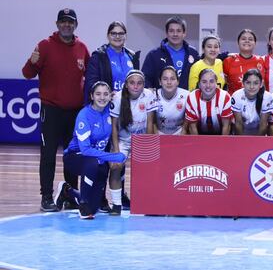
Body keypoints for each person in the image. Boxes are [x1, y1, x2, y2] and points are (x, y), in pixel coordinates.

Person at [22, 8, 90, 212]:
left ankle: (70, 195)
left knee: (72, 154)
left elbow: (90, 76)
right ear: (57, 24)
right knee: (48, 154)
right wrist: (32, 62)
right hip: (51, 110)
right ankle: (46, 197)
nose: (66, 25)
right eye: (63, 21)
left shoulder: (82, 48)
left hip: (75, 112)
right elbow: (27, 73)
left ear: (75, 25)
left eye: (70, 22)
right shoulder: (45, 46)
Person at [62, 81, 126, 219]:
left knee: (94, 207)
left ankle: (67, 191)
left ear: (110, 96)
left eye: (105, 94)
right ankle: (83, 204)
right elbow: (85, 150)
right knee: (92, 162)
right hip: (75, 157)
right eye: (98, 94)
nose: (102, 97)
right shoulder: (84, 115)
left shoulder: (111, 111)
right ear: (91, 96)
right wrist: (113, 156)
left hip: (99, 159)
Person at [109, 70, 157, 215]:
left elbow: (150, 123)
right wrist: (116, 151)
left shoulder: (149, 95)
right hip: (123, 139)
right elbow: (114, 127)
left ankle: (145, 202)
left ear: (143, 85)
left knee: (148, 168)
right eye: (132, 83)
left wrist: (147, 146)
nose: (135, 86)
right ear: (126, 85)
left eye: (139, 83)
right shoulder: (117, 98)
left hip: (141, 138)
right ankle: (116, 204)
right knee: (115, 167)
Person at [84, 21, 140, 100]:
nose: (117, 37)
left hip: (130, 103)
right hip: (106, 104)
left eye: (121, 33)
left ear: (126, 36)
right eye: (113, 33)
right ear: (108, 36)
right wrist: (107, 94)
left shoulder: (132, 56)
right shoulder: (98, 56)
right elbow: (91, 84)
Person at [142, 16, 199, 91]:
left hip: (187, 97)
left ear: (184, 33)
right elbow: (146, 79)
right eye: (171, 31)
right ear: (166, 33)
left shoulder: (193, 53)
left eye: (178, 31)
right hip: (161, 97)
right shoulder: (154, 55)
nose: (175, 34)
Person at [185, 68, 233, 135]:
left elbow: (226, 126)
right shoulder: (192, 98)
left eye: (211, 81)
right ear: (199, 84)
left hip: (220, 134)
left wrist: (221, 142)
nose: (208, 85)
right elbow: (192, 128)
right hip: (199, 135)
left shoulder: (225, 97)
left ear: (216, 83)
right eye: (204, 82)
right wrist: (198, 142)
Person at [223, 28, 264, 95]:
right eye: (243, 39)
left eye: (250, 39)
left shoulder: (261, 60)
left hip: (255, 100)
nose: (247, 41)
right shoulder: (228, 61)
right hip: (233, 99)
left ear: (255, 43)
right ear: (238, 42)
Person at [231, 69, 269, 135]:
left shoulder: (267, 97)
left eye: (256, 83)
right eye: (248, 83)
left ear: (261, 84)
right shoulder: (236, 96)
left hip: (260, 135)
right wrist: (242, 140)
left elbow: (263, 124)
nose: (251, 87)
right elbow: (238, 123)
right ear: (243, 83)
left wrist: (257, 141)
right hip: (241, 134)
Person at [154, 66, 189, 135]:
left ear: (178, 81)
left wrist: (182, 136)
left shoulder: (187, 95)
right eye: (165, 79)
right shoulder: (153, 95)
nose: (169, 82)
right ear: (160, 82)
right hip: (159, 133)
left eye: (172, 79)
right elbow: (152, 122)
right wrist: (157, 138)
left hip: (179, 133)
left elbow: (187, 122)